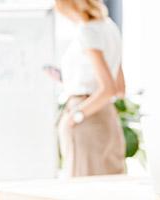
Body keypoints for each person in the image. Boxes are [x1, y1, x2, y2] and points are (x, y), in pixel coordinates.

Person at [45, 0, 126, 177]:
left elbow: (109, 89)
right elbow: (120, 88)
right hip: (107, 117)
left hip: (86, 116)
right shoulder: (109, 26)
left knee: (82, 188)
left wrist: (75, 116)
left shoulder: (87, 30)